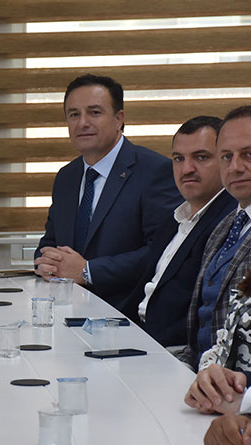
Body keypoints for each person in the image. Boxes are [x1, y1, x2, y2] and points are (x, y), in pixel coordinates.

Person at [34, 74, 181, 310]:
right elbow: (50, 242)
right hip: (66, 310)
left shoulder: (155, 171)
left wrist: (88, 271)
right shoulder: (66, 177)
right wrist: (46, 262)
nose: (82, 123)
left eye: (94, 112)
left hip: (127, 314)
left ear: (118, 119)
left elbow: (162, 252)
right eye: (74, 114)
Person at [121, 116, 235, 348]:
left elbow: (203, 317)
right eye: (178, 159)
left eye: (201, 157)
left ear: (225, 160)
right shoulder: (174, 218)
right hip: (137, 337)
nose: (187, 169)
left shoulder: (230, 222)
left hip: (171, 351)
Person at [179, 106, 251, 369]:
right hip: (201, 376)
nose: (235, 167)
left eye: (248, 154)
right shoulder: (224, 227)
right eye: (226, 156)